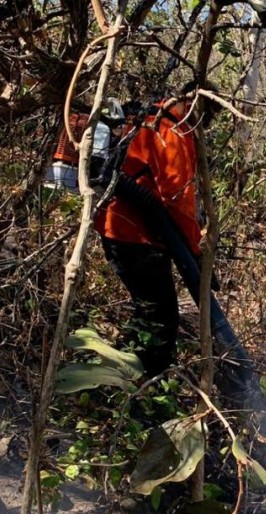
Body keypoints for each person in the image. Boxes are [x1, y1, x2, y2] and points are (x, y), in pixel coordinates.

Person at [94, 86, 217, 377]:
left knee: (148, 311)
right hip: (135, 235)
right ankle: (135, 384)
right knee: (160, 319)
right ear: (193, 103)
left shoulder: (147, 116)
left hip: (119, 228)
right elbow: (177, 198)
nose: (206, 122)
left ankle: (120, 376)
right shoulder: (170, 130)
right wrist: (196, 252)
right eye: (209, 113)